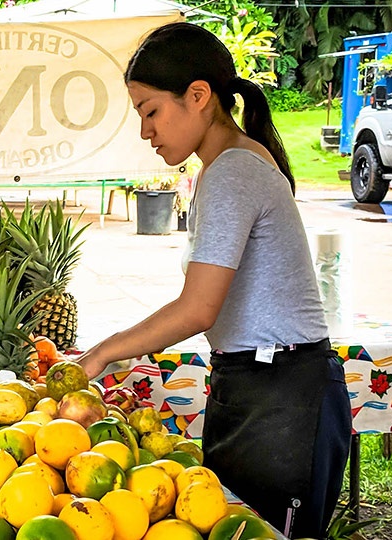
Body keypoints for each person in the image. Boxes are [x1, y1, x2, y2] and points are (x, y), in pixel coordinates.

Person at [77, 22, 351, 538]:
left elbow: (198, 308)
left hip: (281, 400)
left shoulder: (232, 171)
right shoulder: (221, 168)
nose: (145, 132)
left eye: (150, 111)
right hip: (255, 386)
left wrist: (102, 353)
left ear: (199, 96)